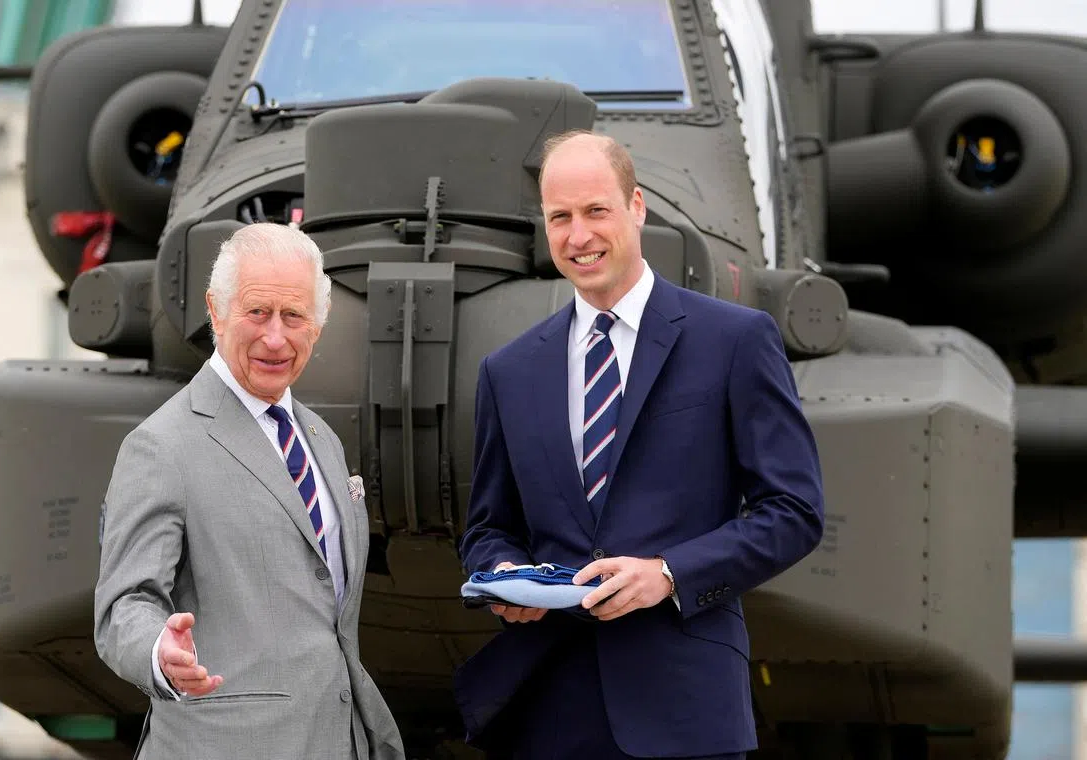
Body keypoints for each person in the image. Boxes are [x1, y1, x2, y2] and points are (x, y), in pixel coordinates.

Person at [453, 130, 825, 759]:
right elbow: (489, 528)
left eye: (596, 211)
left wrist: (667, 575)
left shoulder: (735, 340)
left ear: (637, 207)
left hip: (686, 712)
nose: (579, 236)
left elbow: (793, 512)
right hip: (545, 713)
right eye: (559, 218)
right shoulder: (508, 371)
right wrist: (504, 579)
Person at [94, 223, 405, 760]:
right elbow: (125, 604)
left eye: (295, 316)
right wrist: (157, 652)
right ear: (216, 311)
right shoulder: (161, 446)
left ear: (319, 325)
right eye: (257, 312)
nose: (276, 337)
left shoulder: (321, 441)